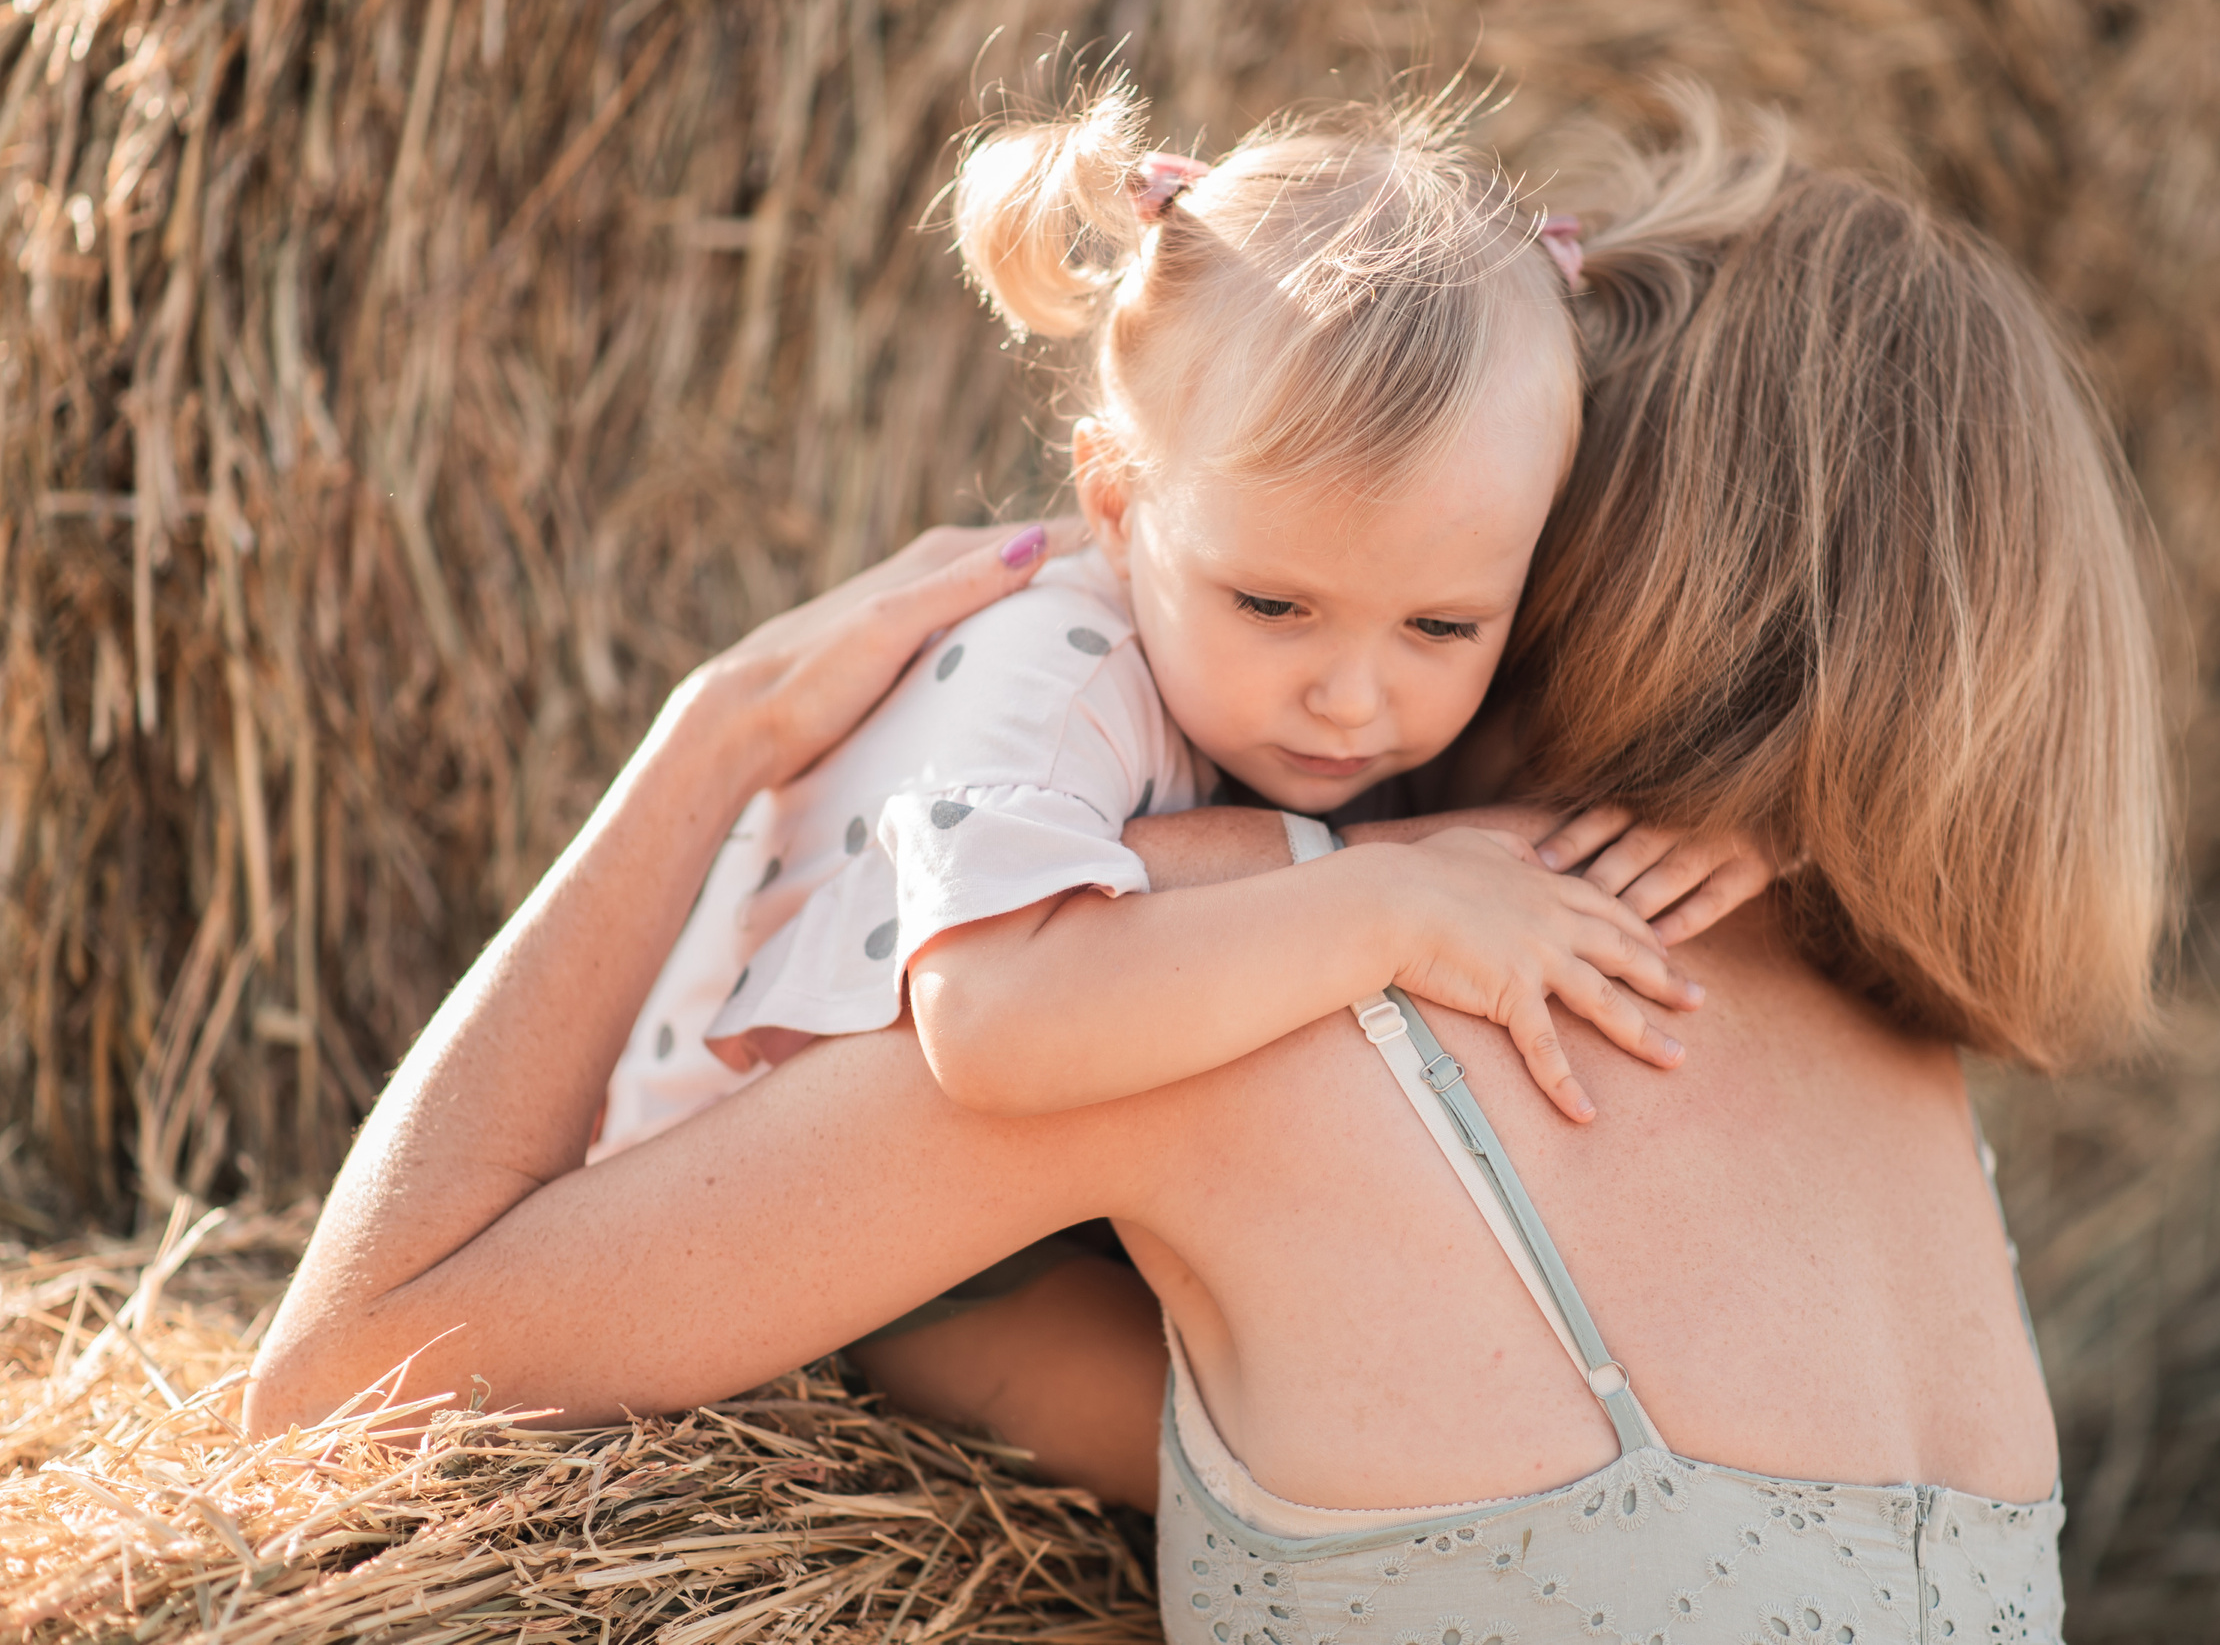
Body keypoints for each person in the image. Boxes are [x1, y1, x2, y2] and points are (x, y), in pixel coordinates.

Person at [248, 91, 2167, 1643]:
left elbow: (347, 1376)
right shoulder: (1929, 1101)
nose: (1362, 683)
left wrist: (709, 737)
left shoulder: (1246, 936)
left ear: (1591, 551)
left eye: (1453, 606)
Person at [598, 84, 1754, 1160]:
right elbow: (992, 1022)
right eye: (1271, 604)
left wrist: (1738, 830)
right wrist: (1391, 905)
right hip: (738, 1168)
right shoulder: (1054, 675)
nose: (1352, 696)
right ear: (1113, 502)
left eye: (1442, 626)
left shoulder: (1345, 672)